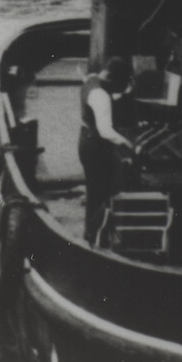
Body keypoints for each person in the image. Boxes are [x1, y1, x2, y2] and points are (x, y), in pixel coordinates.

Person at [78, 56, 136, 242]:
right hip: (96, 145)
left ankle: (94, 232)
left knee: (95, 189)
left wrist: (126, 93)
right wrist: (129, 144)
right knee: (99, 192)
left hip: (87, 139)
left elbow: (109, 95)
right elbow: (105, 131)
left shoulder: (93, 79)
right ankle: (93, 235)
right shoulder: (101, 95)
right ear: (113, 78)